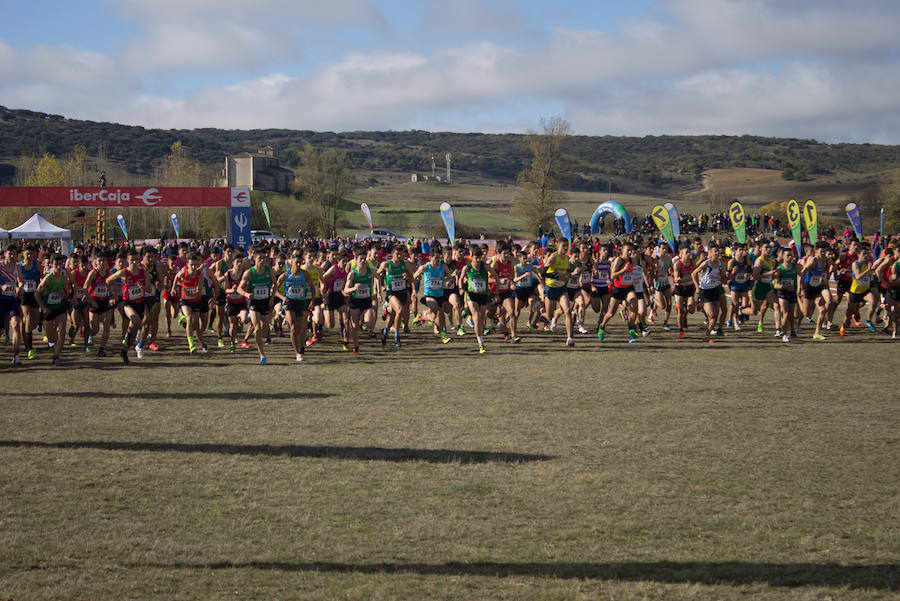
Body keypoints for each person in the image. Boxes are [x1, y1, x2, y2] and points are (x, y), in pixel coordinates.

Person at [106, 248, 150, 363]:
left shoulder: (143, 272)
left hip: (140, 303)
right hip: (128, 303)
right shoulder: (124, 272)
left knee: (134, 330)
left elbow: (149, 289)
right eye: (132, 260)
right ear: (127, 261)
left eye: (136, 260)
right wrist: (112, 295)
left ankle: (124, 351)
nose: (134, 262)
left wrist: (143, 287)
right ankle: (126, 338)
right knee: (135, 320)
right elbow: (108, 280)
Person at [238, 246, 274, 364]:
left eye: (264, 258)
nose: (262, 260)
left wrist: (271, 297)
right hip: (253, 302)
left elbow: (275, 284)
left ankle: (251, 320)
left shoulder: (269, 271)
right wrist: (246, 294)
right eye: (260, 258)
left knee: (264, 331)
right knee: (257, 328)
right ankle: (262, 354)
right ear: (254, 258)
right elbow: (239, 289)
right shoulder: (249, 273)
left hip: (265, 302)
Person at [274, 250, 309, 361]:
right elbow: (274, 289)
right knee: (293, 328)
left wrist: (312, 300)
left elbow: (312, 287)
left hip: (301, 302)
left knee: (301, 328)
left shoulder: (304, 274)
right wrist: (283, 297)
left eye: (300, 263)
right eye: (296, 262)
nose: (298, 265)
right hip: (289, 303)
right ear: (291, 262)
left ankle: (301, 345)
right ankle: (297, 353)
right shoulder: (286, 274)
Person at [458, 245, 494, 353]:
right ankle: (480, 343)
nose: (478, 260)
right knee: (477, 316)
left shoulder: (485, 266)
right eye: (476, 258)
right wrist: (460, 288)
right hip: (471, 295)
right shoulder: (467, 268)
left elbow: (495, 276)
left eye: (480, 258)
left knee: (482, 318)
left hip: (482, 295)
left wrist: (496, 291)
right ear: (471, 256)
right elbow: (460, 279)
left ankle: (479, 334)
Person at [35, 253, 69, 365]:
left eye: (60, 264)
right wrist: (43, 308)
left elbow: (66, 293)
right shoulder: (47, 279)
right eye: (56, 265)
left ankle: (56, 356)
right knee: (51, 338)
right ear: (51, 265)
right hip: (48, 309)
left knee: (63, 331)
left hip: (59, 307)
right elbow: (37, 294)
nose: (59, 267)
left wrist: (63, 293)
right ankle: (54, 346)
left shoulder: (64, 279)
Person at [542, 241, 576, 346]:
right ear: (558, 246)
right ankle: (541, 315)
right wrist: (556, 276)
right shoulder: (553, 257)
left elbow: (564, 273)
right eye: (563, 246)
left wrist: (570, 276)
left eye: (567, 246)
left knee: (567, 310)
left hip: (561, 288)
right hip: (551, 288)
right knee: (549, 316)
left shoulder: (566, 258)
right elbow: (544, 272)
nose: (566, 248)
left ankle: (570, 338)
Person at [840, 244, 877, 337]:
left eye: (867, 254)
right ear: (858, 254)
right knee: (850, 312)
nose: (866, 256)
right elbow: (857, 276)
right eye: (864, 254)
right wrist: (868, 270)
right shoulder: (856, 264)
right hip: (855, 291)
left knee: (873, 301)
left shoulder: (868, 262)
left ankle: (868, 321)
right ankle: (843, 326)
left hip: (865, 290)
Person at [798, 241, 833, 340]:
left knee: (826, 305)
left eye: (825, 251)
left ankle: (817, 332)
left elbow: (833, 265)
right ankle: (798, 319)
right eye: (821, 251)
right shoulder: (813, 261)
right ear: (816, 251)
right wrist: (800, 288)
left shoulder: (825, 260)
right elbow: (801, 273)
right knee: (806, 313)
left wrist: (826, 276)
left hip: (819, 286)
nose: (823, 253)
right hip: (809, 286)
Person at [692, 243, 726, 342]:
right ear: (710, 253)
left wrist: (728, 276)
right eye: (715, 251)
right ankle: (700, 302)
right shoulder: (706, 263)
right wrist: (697, 287)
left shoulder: (721, 264)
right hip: (705, 291)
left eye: (718, 251)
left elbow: (723, 277)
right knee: (712, 314)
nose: (717, 253)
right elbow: (693, 273)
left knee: (715, 315)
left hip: (715, 290)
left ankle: (707, 335)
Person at [344, 245, 375, 354]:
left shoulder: (370, 271)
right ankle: (356, 346)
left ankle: (363, 323)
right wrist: (354, 288)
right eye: (360, 259)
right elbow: (345, 290)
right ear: (356, 260)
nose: (362, 261)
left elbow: (380, 277)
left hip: (366, 301)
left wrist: (378, 289)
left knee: (369, 323)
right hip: (355, 301)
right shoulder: (352, 274)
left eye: (364, 258)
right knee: (354, 326)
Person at [1, 246, 24, 365]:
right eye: (10, 254)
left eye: (14, 254)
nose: (12, 256)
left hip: (12, 300)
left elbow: (20, 280)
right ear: (5, 254)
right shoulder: (0, 266)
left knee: (16, 324)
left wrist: (20, 287)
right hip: (0, 300)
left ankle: (16, 356)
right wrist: (1, 287)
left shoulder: (17, 267)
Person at [773, 246, 800, 343]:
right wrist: (784, 286)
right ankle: (784, 333)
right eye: (788, 255)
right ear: (783, 257)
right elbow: (775, 285)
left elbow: (801, 273)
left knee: (793, 314)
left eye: (791, 255)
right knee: (786, 313)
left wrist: (800, 287)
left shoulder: (795, 267)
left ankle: (792, 330)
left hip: (792, 292)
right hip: (783, 292)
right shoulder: (780, 269)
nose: (790, 257)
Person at [672, 243, 696, 338]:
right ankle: (681, 330)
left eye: (689, 252)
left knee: (691, 309)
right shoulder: (677, 264)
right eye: (686, 252)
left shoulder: (692, 262)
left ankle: (685, 315)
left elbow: (696, 273)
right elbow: (676, 279)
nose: (688, 254)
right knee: (680, 310)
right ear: (681, 254)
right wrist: (688, 279)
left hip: (689, 287)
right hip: (680, 288)